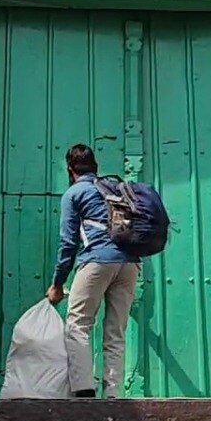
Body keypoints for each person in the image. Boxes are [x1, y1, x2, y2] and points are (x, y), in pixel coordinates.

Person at [46, 144, 140, 398]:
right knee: (116, 331)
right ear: (95, 167)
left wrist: (57, 284)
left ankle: (84, 392)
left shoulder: (75, 193)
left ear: (70, 169)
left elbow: (68, 243)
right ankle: (113, 395)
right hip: (130, 263)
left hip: (97, 261)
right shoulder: (113, 190)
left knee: (78, 324)